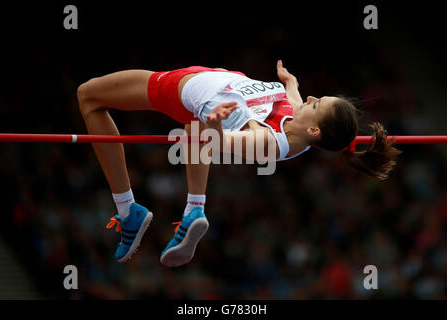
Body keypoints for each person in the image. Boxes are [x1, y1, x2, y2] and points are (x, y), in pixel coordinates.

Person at [76, 61, 401, 267]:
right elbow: (296, 97)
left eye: (319, 104)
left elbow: (218, 143)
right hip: (205, 83)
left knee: (89, 96)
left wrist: (215, 124)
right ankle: (192, 211)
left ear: (314, 129)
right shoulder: (300, 122)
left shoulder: (266, 140)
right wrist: (289, 81)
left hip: (178, 89)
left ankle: (129, 210)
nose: (312, 99)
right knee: (196, 126)